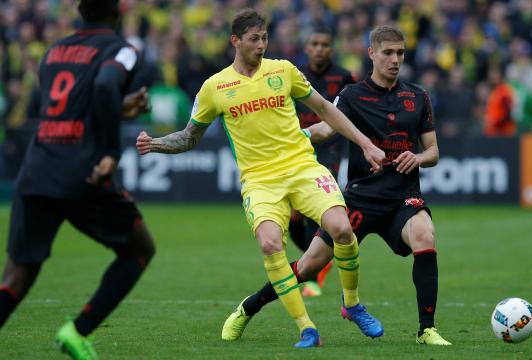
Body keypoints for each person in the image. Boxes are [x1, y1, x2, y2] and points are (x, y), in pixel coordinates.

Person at [135, 9, 385, 348]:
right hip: (260, 181)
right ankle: (305, 328)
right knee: (270, 244)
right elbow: (190, 136)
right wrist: (156, 144)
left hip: (301, 166)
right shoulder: (215, 87)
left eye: (265, 38)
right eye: (254, 39)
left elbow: (326, 109)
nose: (262, 45)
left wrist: (366, 144)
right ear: (235, 41)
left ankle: (352, 304)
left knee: (342, 228)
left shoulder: (283, 71)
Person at [221, 25, 452, 346]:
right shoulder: (353, 95)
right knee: (308, 266)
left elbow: (433, 152)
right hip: (359, 198)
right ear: (372, 54)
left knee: (425, 235)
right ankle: (248, 308)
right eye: (387, 52)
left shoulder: (417, 97)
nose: (395, 59)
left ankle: (426, 330)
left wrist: (418, 157)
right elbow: (324, 130)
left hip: (403, 198)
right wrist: (289, 140)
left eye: (400, 53)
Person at [0, 1, 155, 359]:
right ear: (117, 13)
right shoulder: (124, 50)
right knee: (140, 250)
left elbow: (73, 105)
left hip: (37, 168)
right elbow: (103, 85)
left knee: (15, 279)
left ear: (80, 12)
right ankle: (77, 331)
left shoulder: (54, 52)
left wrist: (118, 105)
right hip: (82, 172)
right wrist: (110, 153)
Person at [290, 27, 355, 297]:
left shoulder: (343, 77)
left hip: (330, 148)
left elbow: (348, 111)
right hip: (298, 147)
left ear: (331, 48)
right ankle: (316, 262)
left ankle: (314, 272)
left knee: (318, 211)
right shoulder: (293, 74)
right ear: (307, 48)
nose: (319, 49)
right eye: (314, 43)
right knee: (293, 217)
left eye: (324, 44)